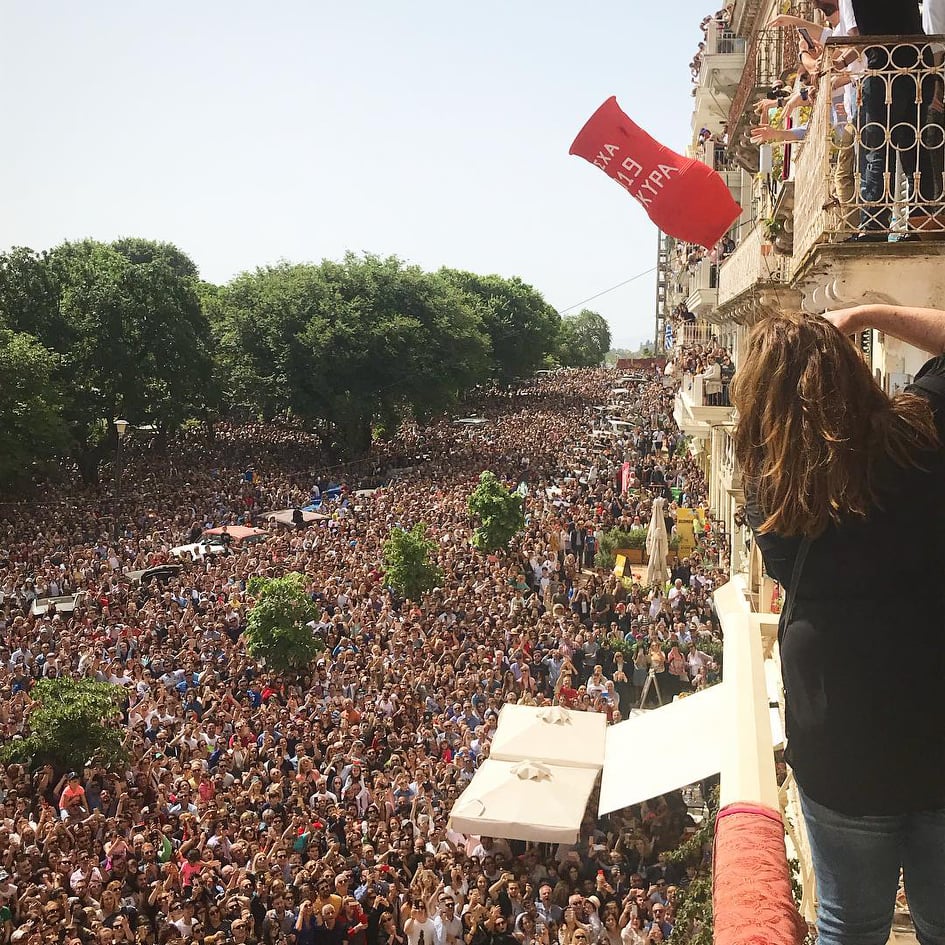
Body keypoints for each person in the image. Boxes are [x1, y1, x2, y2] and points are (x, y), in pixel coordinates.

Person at [732, 307, 945, 945]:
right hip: (937, 724)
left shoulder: (769, 490)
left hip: (839, 740)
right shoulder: (926, 433)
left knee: (849, 925)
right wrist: (866, 313)